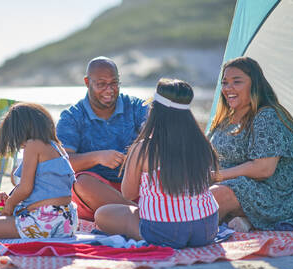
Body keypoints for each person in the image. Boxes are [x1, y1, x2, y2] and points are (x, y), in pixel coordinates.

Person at [94, 78, 219, 249]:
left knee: (102, 214)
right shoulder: (201, 143)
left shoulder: (144, 148)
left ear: (155, 112)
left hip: (165, 231)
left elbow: (128, 194)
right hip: (207, 228)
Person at [208, 56, 293, 231]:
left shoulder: (267, 116)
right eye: (224, 83)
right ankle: (239, 220)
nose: (228, 88)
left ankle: (182, 231)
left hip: (275, 196)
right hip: (235, 185)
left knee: (214, 196)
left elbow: (263, 169)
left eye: (236, 82)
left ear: (255, 84)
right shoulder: (225, 118)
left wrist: (219, 176)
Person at [56, 56, 148, 221]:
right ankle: (143, 216)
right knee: (81, 183)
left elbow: (157, 135)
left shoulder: (136, 107)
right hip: (97, 195)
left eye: (114, 83)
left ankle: (136, 216)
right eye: (101, 84)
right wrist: (98, 157)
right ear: (87, 82)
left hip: (135, 186)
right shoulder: (72, 116)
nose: (109, 90)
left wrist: (137, 156)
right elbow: (61, 163)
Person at [0, 102, 78, 239]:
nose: (20, 146)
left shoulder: (33, 145)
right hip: (67, 221)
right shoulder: (56, 146)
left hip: (46, 219)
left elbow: (25, 188)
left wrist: (10, 205)